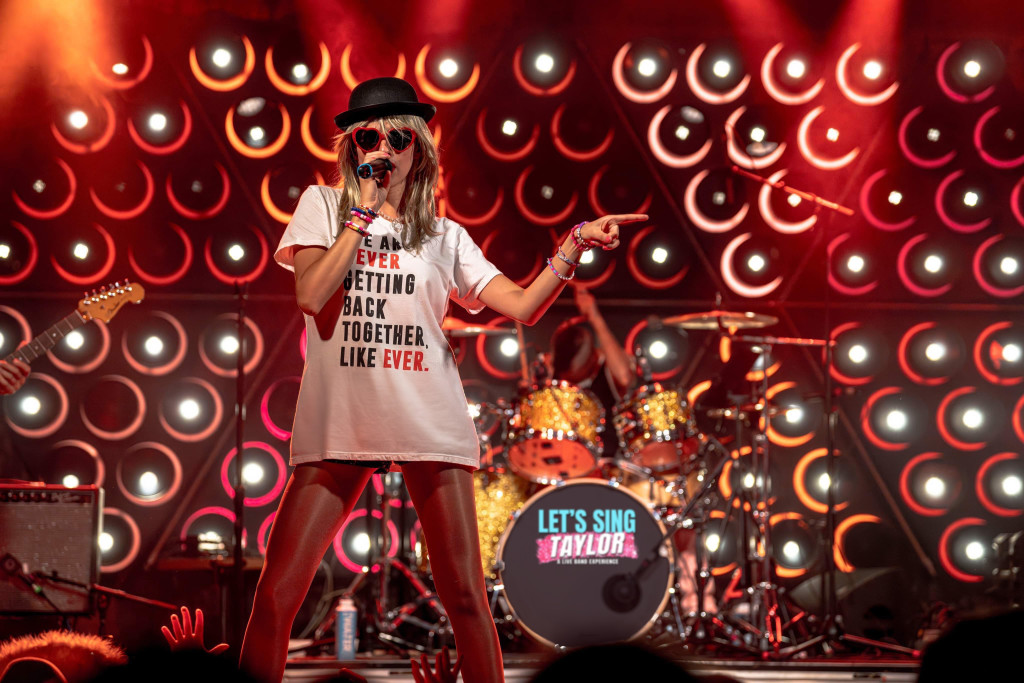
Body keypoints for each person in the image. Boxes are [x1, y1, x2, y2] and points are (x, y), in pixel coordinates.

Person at [238, 76, 647, 683]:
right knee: (276, 598)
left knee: (465, 601)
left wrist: (574, 244)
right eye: (369, 137)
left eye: (398, 137)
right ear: (352, 147)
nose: (384, 147)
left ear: (419, 148)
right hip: (341, 422)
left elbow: (522, 305)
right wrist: (363, 213)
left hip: (429, 420)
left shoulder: (444, 235)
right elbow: (311, 293)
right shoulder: (322, 207)